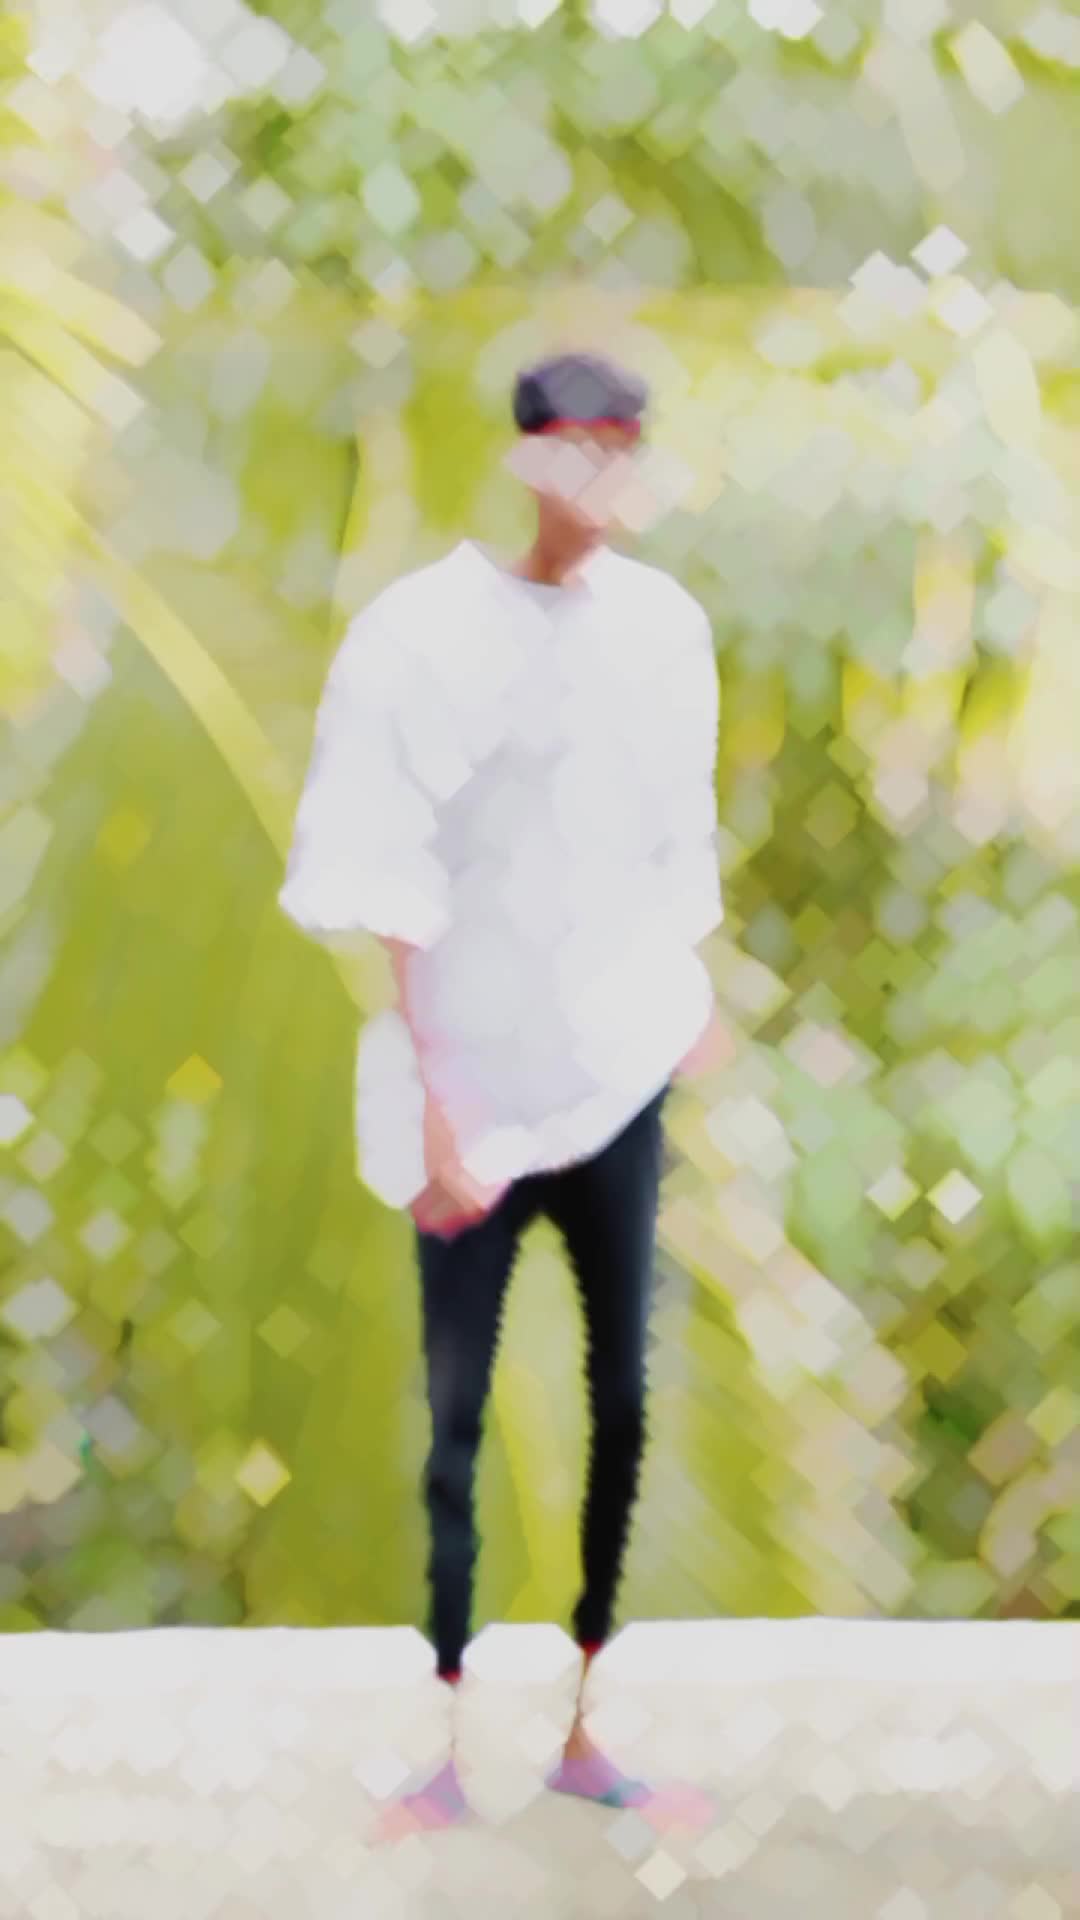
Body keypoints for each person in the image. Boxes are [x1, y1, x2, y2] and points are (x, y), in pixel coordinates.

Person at [280, 351, 733, 1834]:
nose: (602, 475)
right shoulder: (424, 635)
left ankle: (589, 1726)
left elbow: (671, 847)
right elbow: (385, 874)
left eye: (624, 447)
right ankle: (445, 1745)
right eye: (578, 446)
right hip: (466, 1095)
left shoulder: (664, 633)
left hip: (612, 1075)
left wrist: (686, 1006)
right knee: (457, 1420)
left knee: (624, 1402)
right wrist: (435, 1105)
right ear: (528, 457)